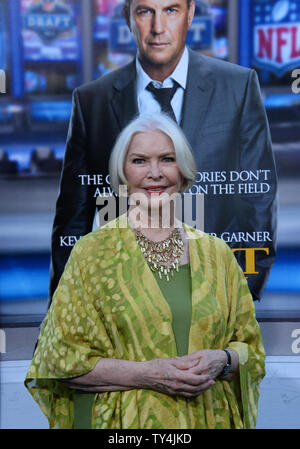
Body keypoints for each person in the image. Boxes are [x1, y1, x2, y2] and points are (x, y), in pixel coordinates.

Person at [25, 114, 266, 429]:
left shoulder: (217, 254)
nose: (155, 174)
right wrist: (149, 374)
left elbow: (253, 352)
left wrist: (223, 360)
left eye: (167, 159)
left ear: (183, 170)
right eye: (139, 161)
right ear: (123, 173)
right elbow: (59, 361)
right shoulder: (92, 254)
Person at [48, 0, 277, 307]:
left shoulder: (238, 86)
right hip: (121, 301)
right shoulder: (92, 101)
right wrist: (65, 306)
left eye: (171, 10)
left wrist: (241, 295)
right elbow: (72, 219)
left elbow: (258, 199)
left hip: (214, 296)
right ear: (128, 15)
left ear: (190, 13)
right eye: (145, 11)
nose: (158, 28)